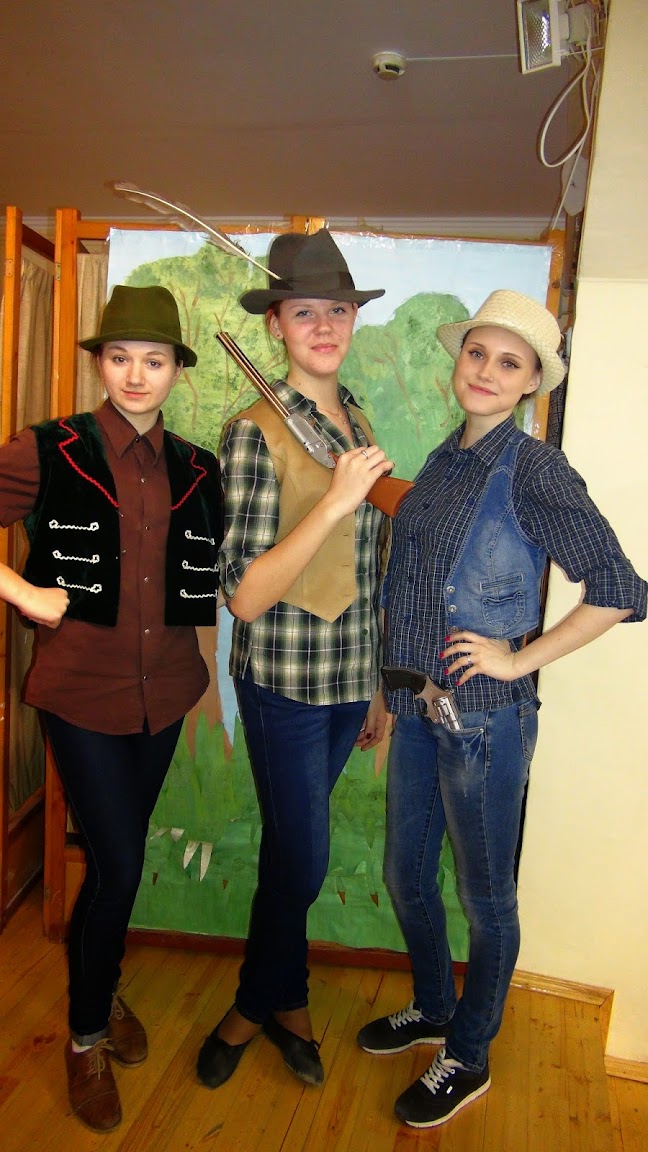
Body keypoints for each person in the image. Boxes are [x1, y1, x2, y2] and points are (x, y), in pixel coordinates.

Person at [356, 290, 647, 1128]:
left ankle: (470, 1053)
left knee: (486, 901)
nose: (486, 371)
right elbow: (410, 589)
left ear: (530, 384)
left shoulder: (535, 469)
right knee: (406, 875)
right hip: (417, 708)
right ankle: (433, 1005)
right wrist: (386, 691)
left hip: (487, 723)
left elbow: (621, 590)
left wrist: (517, 657)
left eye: (508, 362)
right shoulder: (443, 459)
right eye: (477, 353)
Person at [0, 285, 224, 1133]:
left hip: (163, 694)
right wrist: (24, 592)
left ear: (175, 371)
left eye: (153, 360)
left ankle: (101, 982)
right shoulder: (49, 448)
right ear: (100, 363)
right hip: (81, 694)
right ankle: (86, 1035)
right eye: (120, 357)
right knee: (123, 865)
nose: (136, 374)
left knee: (111, 861)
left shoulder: (197, 468)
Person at [197, 229, 393, 1091]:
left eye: (337, 310)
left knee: (289, 856)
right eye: (303, 311)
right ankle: (254, 1005)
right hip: (283, 683)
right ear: (275, 324)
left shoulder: (359, 418)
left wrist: (380, 685)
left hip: (350, 676)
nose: (323, 325)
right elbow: (243, 596)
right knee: (305, 860)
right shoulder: (251, 432)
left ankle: (288, 1002)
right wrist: (335, 501)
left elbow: (372, 565)